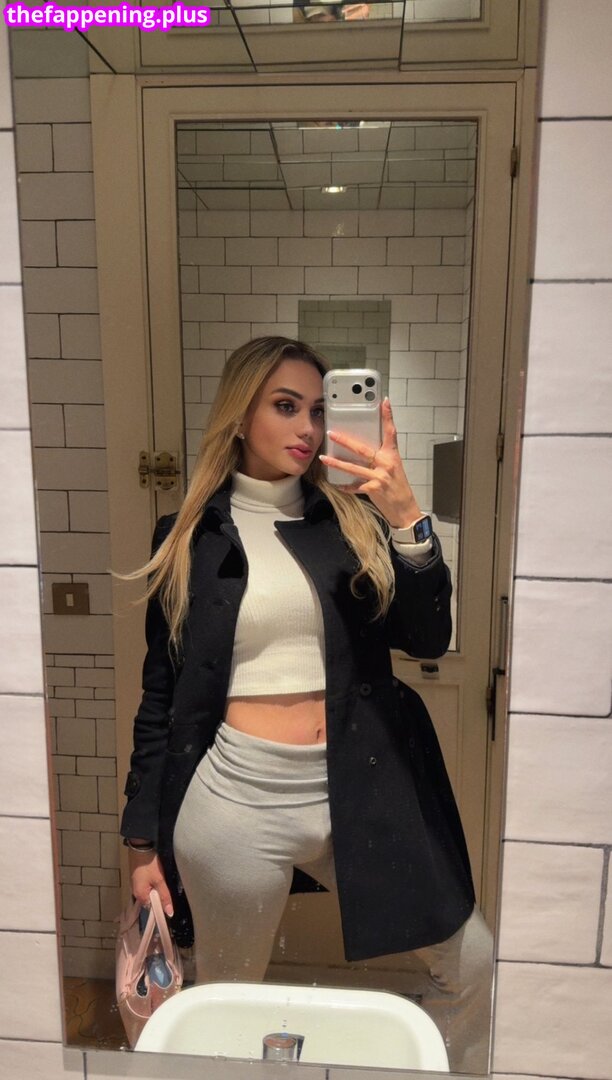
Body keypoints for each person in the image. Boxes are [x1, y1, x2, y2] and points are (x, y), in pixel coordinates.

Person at [120, 336, 492, 1071]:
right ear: (239, 416)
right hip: (235, 797)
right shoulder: (190, 535)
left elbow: (427, 635)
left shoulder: (350, 522)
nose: (309, 428)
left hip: (356, 783)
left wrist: (407, 518)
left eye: (320, 411)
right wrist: (140, 844)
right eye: (286, 406)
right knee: (227, 1002)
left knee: (472, 961)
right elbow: (160, 695)